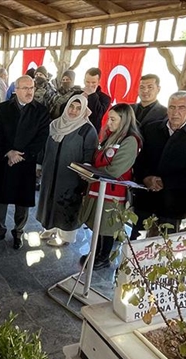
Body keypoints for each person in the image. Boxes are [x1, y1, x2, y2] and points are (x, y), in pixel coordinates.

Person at [131, 91, 186, 238]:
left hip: (173, 203)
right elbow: (139, 159)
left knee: (163, 250)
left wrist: (165, 182)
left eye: (181, 108)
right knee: (134, 246)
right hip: (145, 199)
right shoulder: (150, 129)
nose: (175, 112)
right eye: (172, 107)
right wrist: (145, 178)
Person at [0, 75, 50, 250]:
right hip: (5, 160)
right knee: (1, 199)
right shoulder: (3, 108)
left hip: (25, 162)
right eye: (25, 88)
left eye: (31, 88)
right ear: (15, 89)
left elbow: (42, 137)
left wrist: (22, 155)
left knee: (22, 201)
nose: (29, 91)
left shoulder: (41, 111)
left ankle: (18, 232)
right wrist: (9, 152)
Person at [78, 103, 142, 269]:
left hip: (112, 191)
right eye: (109, 119)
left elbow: (116, 169)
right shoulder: (110, 136)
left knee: (108, 225)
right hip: (99, 187)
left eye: (113, 119)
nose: (109, 123)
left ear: (125, 120)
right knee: (98, 223)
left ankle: (103, 257)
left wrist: (91, 173)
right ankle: (96, 252)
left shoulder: (130, 141)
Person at [36, 95, 98, 247]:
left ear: (83, 110)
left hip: (71, 176)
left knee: (67, 203)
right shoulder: (54, 125)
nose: (73, 111)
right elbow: (42, 148)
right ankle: (49, 228)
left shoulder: (86, 130)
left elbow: (90, 154)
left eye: (78, 108)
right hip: (50, 173)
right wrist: (39, 165)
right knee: (49, 199)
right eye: (71, 106)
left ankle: (66, 237)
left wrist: (84, 173)